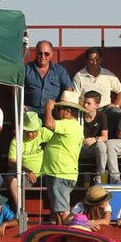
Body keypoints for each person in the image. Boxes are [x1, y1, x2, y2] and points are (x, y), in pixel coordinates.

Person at [40, 91, 86, 224]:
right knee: (59, 212)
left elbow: (49, 124)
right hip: (61, 172)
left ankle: (75, 230)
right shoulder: (73, 126)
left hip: (60, 172)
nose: (57, 112)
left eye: (59, 109)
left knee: (62, 211)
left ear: (67, 112)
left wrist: (48, 109)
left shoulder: (68, 124)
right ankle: (65, 235)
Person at [73, 47, 121, 135]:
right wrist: (87, 107)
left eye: (97, 59)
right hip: (87, 109)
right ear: (86, 60)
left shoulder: (108, 74)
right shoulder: (79, 76)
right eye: (91, 60)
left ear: (101, 60)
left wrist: (116, 104)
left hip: (106, 108)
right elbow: (75, 97)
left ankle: (111, 139)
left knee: (116, 112)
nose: (94, 63)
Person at [24, 40, 73, 117]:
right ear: (36, 53)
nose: (43, 56)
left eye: (46, 54)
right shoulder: (26, 69)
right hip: (29, 111)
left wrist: (61, 107)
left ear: (51, 54)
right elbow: (16, 89)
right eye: (40, 53)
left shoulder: (59, 70)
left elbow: (69, 89)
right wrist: (21, 105)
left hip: (53, 111)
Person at [78, 91, 111, 182]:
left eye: (88, 103)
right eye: (84, 102)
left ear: (96, 105)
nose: (85, 105)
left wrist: (94, 139)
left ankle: (100, 177)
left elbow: (105, 137)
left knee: (101, 145)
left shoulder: (102, 116)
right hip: (78, 147)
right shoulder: (78, 115)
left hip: (92, 147)